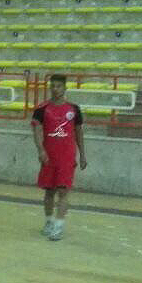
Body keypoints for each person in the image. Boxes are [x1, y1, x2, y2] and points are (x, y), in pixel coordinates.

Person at [32, 74, 86, 241]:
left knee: (63, 191)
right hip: (49, 157)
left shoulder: (74, 109)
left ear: (65, 88)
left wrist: (82, 155)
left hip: (67, 157)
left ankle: (58, 225)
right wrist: (41, 150)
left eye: (59, 86)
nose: (55, 89)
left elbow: (79, 132)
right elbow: (37, 131)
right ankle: (49, 221)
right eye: (53, 86)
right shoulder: (42, 109)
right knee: (49, 192)